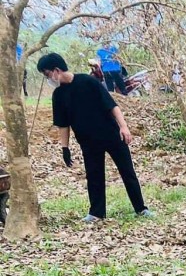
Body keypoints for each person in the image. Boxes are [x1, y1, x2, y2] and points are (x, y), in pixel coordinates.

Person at [37, 52, 151, 222]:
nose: (48, 79)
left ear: (56, 70)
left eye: (47, 75)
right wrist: (65, 148)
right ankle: (96, 213)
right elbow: (63, 124)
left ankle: (141, 209)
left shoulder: (87, 81)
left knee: (127, 171)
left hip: (111, 134)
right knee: (94, 175)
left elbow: (111, 105)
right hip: (88, 141)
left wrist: (124, 127)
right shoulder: (58, 95)